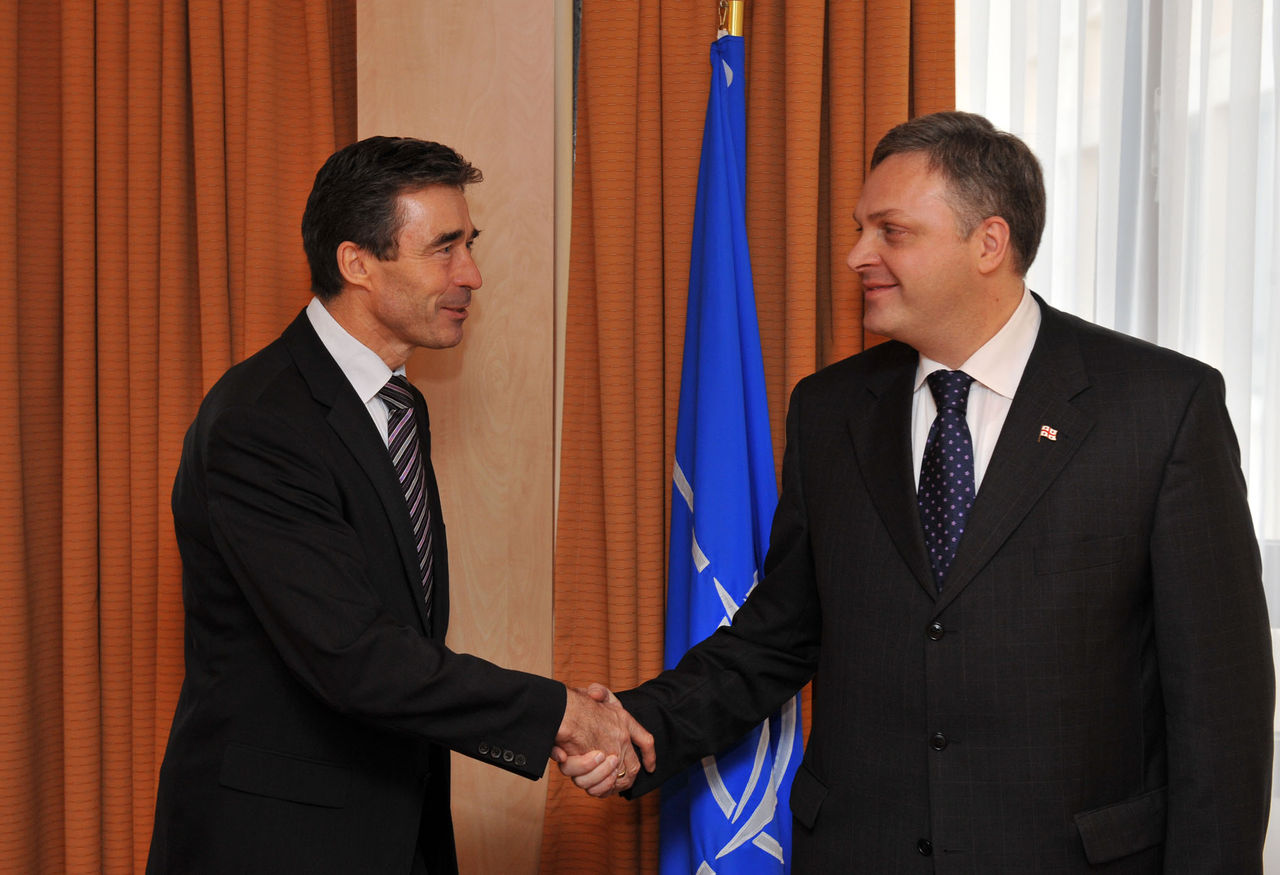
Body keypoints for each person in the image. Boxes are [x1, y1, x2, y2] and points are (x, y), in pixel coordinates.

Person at [557, 111, 1275, 872]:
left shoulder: (1160, 408)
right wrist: (637, 726)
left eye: (891, 232)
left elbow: (1219, 705)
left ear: (988, 243)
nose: (856, 254)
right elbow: (777, 635)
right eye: (860, 229)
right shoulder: (830, 410)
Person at [147, 136, 653, 875]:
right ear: (357, 263)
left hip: (392, 829)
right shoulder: (261, 423)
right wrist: (563, 716)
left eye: (469, 245)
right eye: (444, 249)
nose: (471, 274)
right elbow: (356, 656)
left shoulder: (396, 405)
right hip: (279, 843)